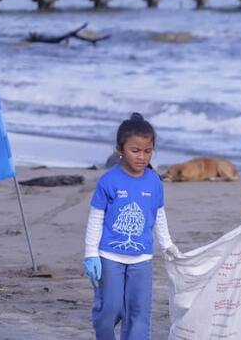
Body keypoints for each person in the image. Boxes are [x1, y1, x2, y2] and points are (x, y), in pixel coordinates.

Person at [83, 112, 181, 340]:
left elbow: (158, 215)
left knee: (139, 314)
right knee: (110, 308)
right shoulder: (109, 181)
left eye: (147, 151)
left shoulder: (154, 181)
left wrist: (167, 244)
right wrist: (91, 254)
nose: (141, 157)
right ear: (120, 149)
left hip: (142, 259)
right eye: (135, 151)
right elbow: (96, 218)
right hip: (110, 257)